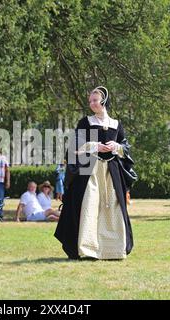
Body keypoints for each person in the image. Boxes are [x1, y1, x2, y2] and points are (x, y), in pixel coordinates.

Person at [54, 86, 135, 260]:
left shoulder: (116, 124)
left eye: (95, 100)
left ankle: (112, 250)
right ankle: (88, 249)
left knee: (112, 207)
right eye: (90, 101)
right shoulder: (86, 122)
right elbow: (74, 148)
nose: (91, 104)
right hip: (90, 171)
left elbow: (126, 147)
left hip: (111, 172)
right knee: (89, 207)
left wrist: (117, 147)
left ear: (103, 101)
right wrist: (94, 146)